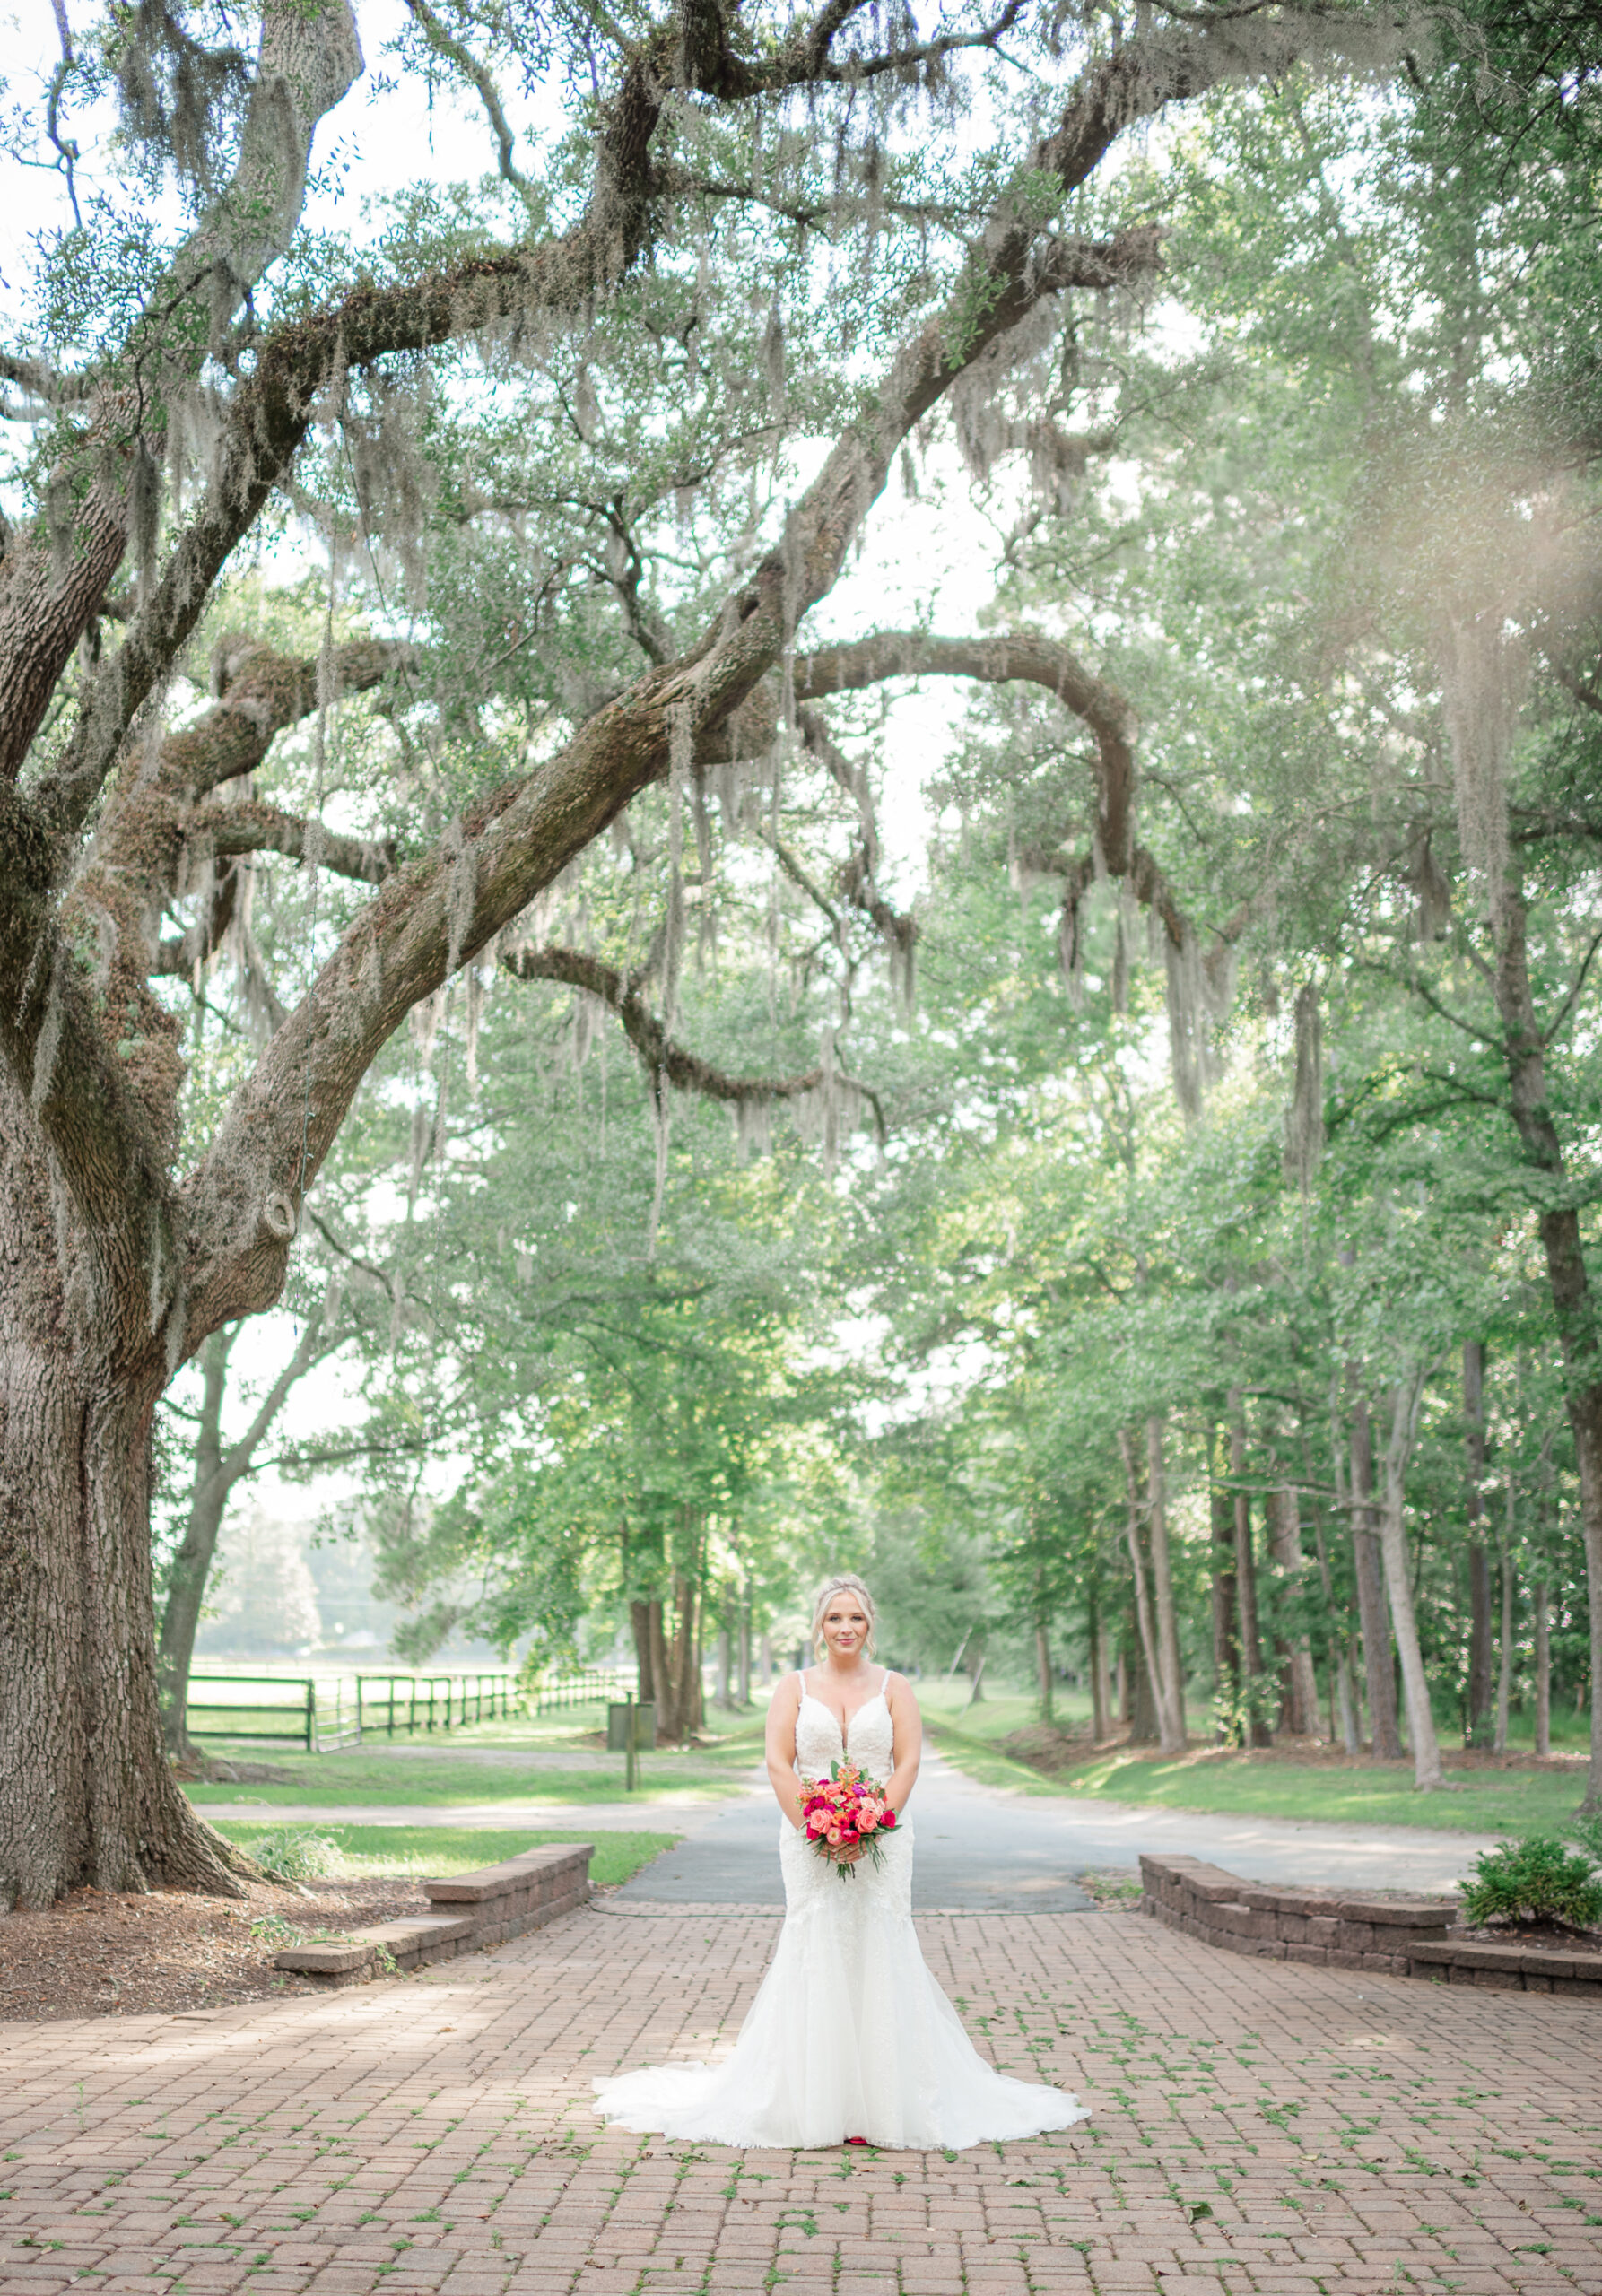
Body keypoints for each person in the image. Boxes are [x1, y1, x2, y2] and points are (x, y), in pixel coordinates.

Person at [591, 1573, 1090, 2150]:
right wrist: (815, 1827)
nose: (845, 1628)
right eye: (834, 1618)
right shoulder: (793, 1686)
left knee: (881, 1943)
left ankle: (886, 2102)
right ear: (819, 1627)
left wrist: (873, 1823)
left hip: (886, 1837)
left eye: (855, 1617)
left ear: (870, 1624)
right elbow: (780, 1764)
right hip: (806, 1836)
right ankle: (810, 2101)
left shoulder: (895, 1686)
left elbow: (907, 1763)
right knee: (816, 1943)